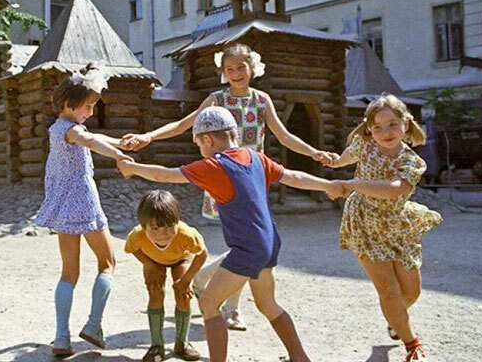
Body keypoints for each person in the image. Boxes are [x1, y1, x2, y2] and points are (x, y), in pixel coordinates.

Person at [121, 43, 335, 330]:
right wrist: (149, 137)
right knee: (241, 242)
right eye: (229, 68)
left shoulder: (262, 100)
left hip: (253, 176)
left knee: (245, 243)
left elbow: (284, 136)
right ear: (222, 72)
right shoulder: (216, 100)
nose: (236, 73)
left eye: (241, 67)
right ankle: (231, 306)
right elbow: (183, 124)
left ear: (252, 68)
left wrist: (313, 152)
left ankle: (215, 290)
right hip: (221, 176)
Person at [118, 106, 344, 362]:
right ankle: (299, 357)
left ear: (208, 139)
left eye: (199, 145)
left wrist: (132, 168)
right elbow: (293, 177)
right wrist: (328, 185)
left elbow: (164, 175)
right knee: (267, 304)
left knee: (209, 304)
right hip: (270, 243)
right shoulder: (257, 157)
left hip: (248, 249)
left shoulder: (214, 166)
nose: (200, 150)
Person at [327, 94, 443, 362]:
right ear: (369, 129)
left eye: (392, 125)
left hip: (397, 224)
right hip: (364, 222)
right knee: (388, 290)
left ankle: (395, 320)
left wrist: (351, 184)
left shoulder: (412, 162)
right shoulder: (364, 144)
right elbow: (344, 159)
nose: (386, 132)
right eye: (377, 127)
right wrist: (332, 160)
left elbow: (394, 190)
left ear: (405, 123)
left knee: (411, 291)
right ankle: (411, 343)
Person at [35, 65, 132, 356]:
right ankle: (93, 324)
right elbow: (89, 139)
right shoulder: (73, 131)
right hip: (84, 203)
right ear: (68, 103)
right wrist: (120, 155)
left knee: (69, 273)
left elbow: (92, 136)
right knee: (108, 262)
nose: (91, 111)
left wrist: (121, 141)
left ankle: (61, 338)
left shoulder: (58, 129)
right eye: (87, 106)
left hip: (64, 207)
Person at [125, 190, 209, 361]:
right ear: (144, 226)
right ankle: (157, 345)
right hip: (153, 261)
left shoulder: (186, 234)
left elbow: (202, 254)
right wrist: (149, 266)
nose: (163, 234)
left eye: (170, 226)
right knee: (155, 292)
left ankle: (182, 343)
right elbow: (132, 249)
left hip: (181, 258)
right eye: (155, 228)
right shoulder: (138, 235)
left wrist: (186, 280)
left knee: (183, 295)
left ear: (177, 220)